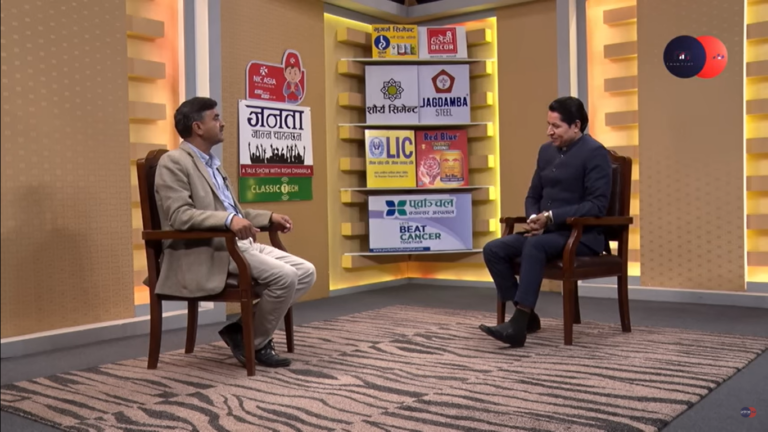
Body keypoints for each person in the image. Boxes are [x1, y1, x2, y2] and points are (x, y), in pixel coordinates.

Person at [154, 97, 316, 368]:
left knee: (306, 272)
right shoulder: (173, 162)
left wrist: (268, 217)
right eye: (216, 118)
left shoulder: (212, 164)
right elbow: (180, 216)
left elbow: (233, 212)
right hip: (210, 249)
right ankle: (255, 341)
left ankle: (241, 331)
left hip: (237, 245)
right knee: (285, 277)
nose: (222, 123)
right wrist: (229, 220)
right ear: (197, 127)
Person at [479, 96, 611, 348]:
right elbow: (533, 195)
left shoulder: (595, 153)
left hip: (581, 236)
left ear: (576, 125)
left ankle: (517, 326)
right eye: (548, 125)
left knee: (535, 246)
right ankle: (526, 318)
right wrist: (533, 218)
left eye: (556, 126)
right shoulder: (545, 151)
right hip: (545, 234)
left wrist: (550, 218)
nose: (549, 131)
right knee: (494, 249)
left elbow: (597, 205)